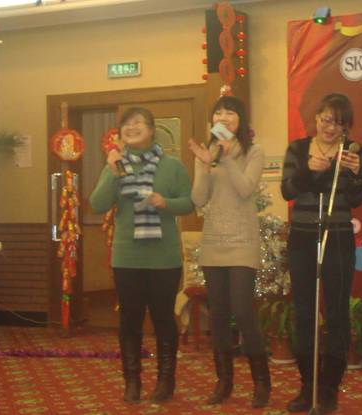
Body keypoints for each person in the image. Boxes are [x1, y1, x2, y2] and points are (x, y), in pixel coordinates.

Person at [90, 107, 193, 404]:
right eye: (126, 124)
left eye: (138, 123)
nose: (131, 128)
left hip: (164, 257)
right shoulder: (115, 164)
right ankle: (132, 382)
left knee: (163, 319)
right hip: (127, 256)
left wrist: (166, 202)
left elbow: (189, 203)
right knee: (129, 321)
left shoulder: (172, 166)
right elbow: (98, 204)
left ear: (151, 130)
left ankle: (165, 381)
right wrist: (112, 172)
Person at [281, 93, 362, 414]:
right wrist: (306, 170)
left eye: (339, 123)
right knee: (304, 312)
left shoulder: (354, 150)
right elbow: (287, 190)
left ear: (346, 126)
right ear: (316, 118)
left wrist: (355, 174)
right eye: (326, 120)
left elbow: (356, 199)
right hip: (303, 237)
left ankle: (330, 387)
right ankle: (308, 385)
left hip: (338, 237)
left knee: (337, 313)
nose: (331, 127)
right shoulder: (297, 149)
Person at [187, 95, 271, 408]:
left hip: (242, 240)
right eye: (218, 112)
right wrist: (204, 165)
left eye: (230, 113)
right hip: (213, 241)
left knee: (243, 311)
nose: (223, 117)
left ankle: (262, 383)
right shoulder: (207, 153)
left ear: (240, 119)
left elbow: (246, 188)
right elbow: (198, 199)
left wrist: (225, 158)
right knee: (219, 315)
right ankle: (224, 382)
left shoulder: (254, 151)